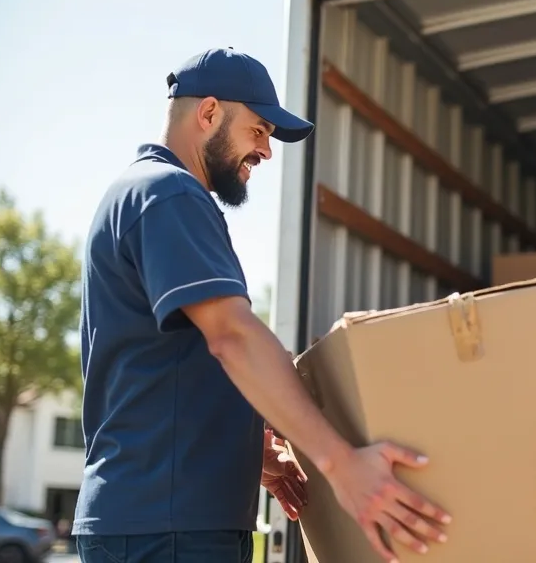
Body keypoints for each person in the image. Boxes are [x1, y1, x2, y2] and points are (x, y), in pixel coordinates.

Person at [73, 48, 450, 563]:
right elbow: (232, 335)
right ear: (209, 113)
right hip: (168, 527)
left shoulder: (145, 193)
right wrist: (342, 465)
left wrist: (247, 450)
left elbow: (165, 367)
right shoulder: (169, 193)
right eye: (258, 130)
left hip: (163, 519)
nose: (266, 152)